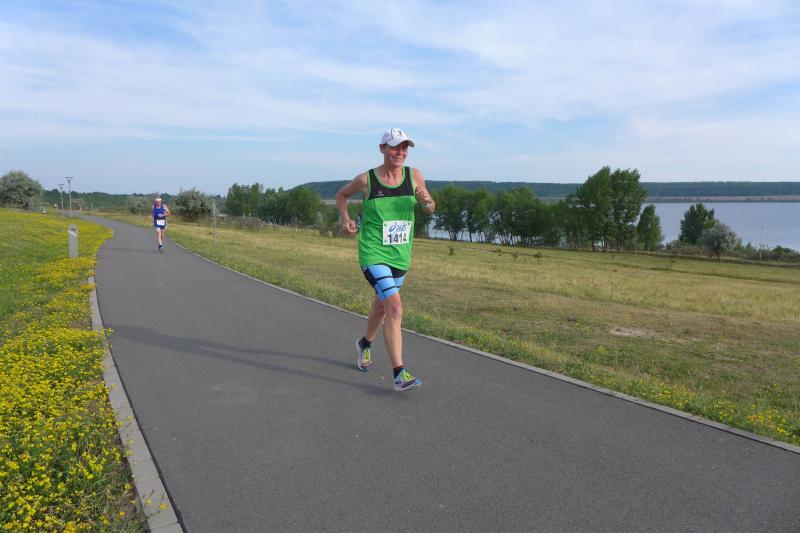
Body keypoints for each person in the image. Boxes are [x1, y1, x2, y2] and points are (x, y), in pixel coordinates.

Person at [336, 128, 436, 391]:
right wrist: (346, 219)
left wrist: (427, 201)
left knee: (382, 307)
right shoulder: (366, 180)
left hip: (400, 255)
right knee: (395, 307)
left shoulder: (414, 176)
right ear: (382, 148)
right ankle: (399, 374)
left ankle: (364, 344)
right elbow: (341, 195)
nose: (400, 152)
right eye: (395, 147)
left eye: (404, 148)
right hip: (373, 252)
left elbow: (429, 208)